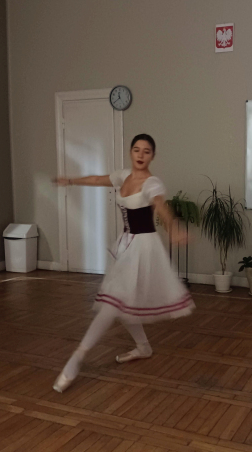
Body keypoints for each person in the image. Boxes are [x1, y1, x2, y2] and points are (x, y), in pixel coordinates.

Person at [52, 134, 195, 393]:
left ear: (153, 156)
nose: (140, 155)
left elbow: (161, 206)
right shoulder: (123, 176)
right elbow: (97, 179)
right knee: (123, 303)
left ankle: (76, 358)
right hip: (126, 244)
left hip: (143, 248)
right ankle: (143, 347)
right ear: (131, 152)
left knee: (113, 303)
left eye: (146, 151)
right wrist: (70, 180)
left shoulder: (152, 183)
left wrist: (174, 228)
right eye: (136, 150)